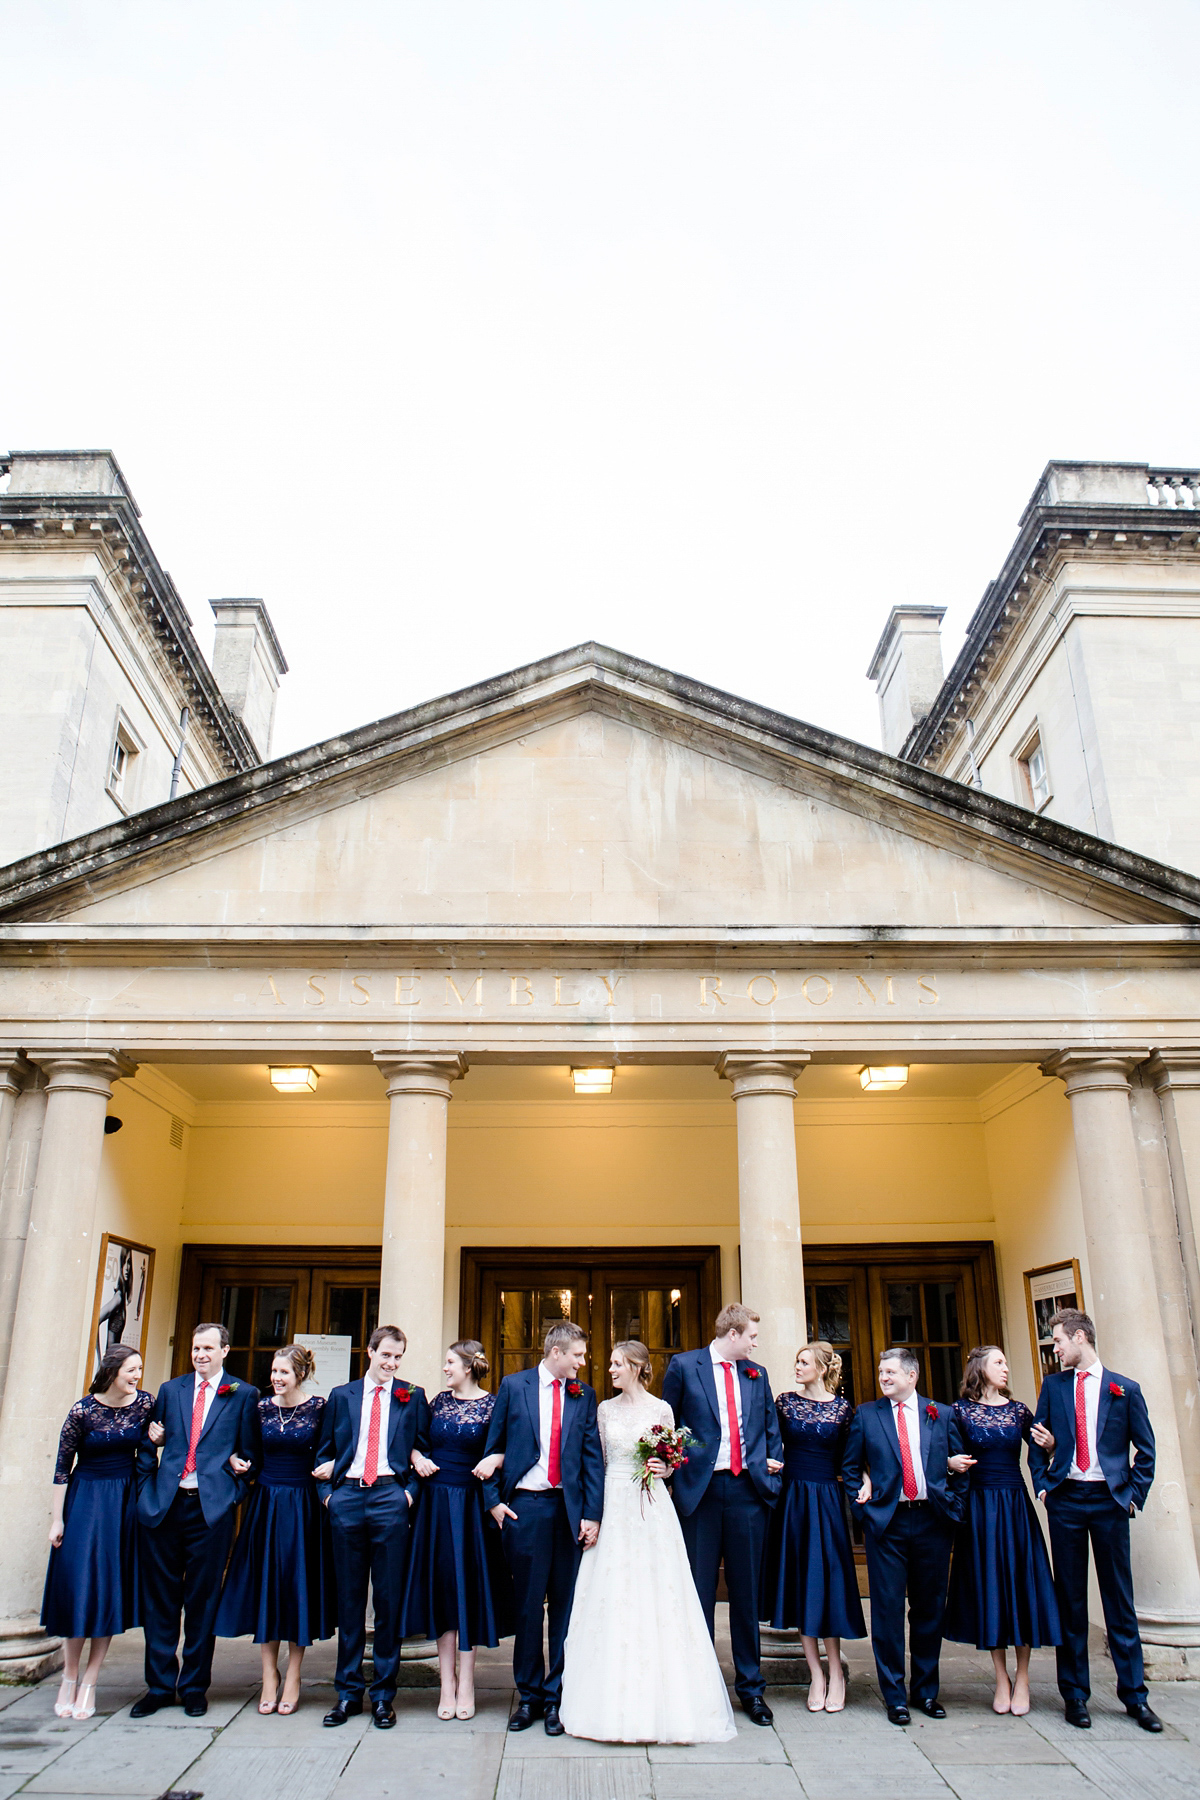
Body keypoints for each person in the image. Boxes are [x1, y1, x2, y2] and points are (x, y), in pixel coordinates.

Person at [560, 1339, 736, 1743]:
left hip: (651, 1505)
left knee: (658, 1594)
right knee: (612, 1594)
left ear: (638, 1367)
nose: (610, 1370)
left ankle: (666, 1702)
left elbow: (673, 1464)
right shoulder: (603, 1410)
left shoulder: (661, 1409)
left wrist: (665, 1466)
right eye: (610, 1364)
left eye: (618, 1363)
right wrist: (594, 1515)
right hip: (614, 1501)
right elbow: (597, 1462)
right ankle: (606, 1701)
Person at [1029, 1308, 1161, 1733]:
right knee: (1070, 1599)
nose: (1056, 1348)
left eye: (1059, 1341)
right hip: (1067, 1499)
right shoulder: (1053, 1386)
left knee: (1118, 1599)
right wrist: (1044, 1485)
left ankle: (1135, 1697)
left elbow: (1146, 1449)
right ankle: (1075, 1695)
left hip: (1109, 1500)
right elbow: (1037, 1441)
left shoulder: (1125, 1389)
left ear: (1080, 1337)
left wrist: (1132, 1497)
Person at [660, 1302, 784, 1726]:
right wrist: (674, 1476)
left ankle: (751, 1688)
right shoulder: (684, 1366)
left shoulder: (757, 1373)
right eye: (751, 1336)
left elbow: (769, 1427)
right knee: (698, 1593)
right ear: (732, 1334)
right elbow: (666, 1424)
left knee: (746, 1595)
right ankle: (701, 1686)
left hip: (749, 1492)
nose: (755, 1343)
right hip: (701, 1492)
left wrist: (771, 1469)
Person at [132, 1321, 262, 1717]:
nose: (200, 1355)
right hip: (165, 1506)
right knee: (161, 1601)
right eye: (195, 1348)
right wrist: (145, 1490)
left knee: (202, 1601)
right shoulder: (171, 1391)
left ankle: (193, 1687)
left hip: (211, 1511)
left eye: (208, 1348)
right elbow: (147, 1443)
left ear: (225, 1350)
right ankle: (157, 1687)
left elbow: (252, 1457)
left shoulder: (244, 1394)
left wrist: (232, 1495)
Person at [482, 1319, 604, 1736]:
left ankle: (557, 1699)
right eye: (578, 1355)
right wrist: (494, 1502)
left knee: (566, 1610)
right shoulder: (514, 1387)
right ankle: (529, 1697)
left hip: (567, 1512)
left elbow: (591, 1458)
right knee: (529, 1607)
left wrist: (593, 1515)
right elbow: (493, 1446)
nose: (583, 1363)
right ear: (556, 1353)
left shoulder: (583, 1395)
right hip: (525, 1510)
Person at [841, 1346, 966, 1725]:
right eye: (881, 1373)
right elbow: (848, 1469)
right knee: (888, 1611)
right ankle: (894, 1695)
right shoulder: (867, 1415)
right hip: (888, 1524)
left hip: (932, 1522)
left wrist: (953, 1510)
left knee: (929, 1610)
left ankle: (926, 1692)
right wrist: (865, 1510)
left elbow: (962, 1468)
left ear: (912, 1376)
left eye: (891, 1372)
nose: (884, 1378)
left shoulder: (941, 1414)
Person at [314, 1323, 429, 1730]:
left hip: (388, 1499)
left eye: (398, 1357)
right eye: (386, 1356)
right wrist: (329, 1496)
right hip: (346, 1497)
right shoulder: (341, 1396)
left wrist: (407, 1495)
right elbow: (324, 1450)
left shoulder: (412, 1396)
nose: (391, 1364)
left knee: (388, 1601)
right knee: (349, 1601)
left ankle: (383, 1695)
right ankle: (347, 1694)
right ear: (370, 1352)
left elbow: (422, 1450)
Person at [215, 1342, 336, 1715]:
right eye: (273, 1372)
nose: (276, 1378)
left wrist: (329, 1468)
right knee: (267, 1585)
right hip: (265, 1504)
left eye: (283, 1372)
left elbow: (331, 1450)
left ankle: (295, 1673)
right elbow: (247, 1452)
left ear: (300, 1373)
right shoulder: (259, 1407)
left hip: (303, 1506)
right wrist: (235, 1459)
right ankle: (269, 1673)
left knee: (296, 1586)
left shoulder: (320, 1408)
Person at [944, 1344, 1061, 1715]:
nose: (1006, 1369)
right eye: (999, 1363)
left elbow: (1041, 1453)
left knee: (1021, 1587)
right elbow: (942, 1455)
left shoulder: (1019, 1412)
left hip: (1014, 1506)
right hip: (979, 1509)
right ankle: (1000, 1677)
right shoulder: (959, 1412)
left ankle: (1023, 1676)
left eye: (1007, 1363)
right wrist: (950, 1463)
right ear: (980, 1368)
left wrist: (1053, 1444)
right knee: (989, 1588)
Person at [401, 1339, 513, 1721]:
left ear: (468, 1366)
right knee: (444, 1590)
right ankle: (445, 1684)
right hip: (435, 1503)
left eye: (450, 1362)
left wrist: (495, 1458)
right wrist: (419, 1459)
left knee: (467, 1589)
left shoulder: (494, 1405)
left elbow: (508, 1447)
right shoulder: (436, 1403)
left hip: (470, 1505)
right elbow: (415, 1443)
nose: (445, 1368)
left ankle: (466, 1682)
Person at [41, 1344, 152, 1721]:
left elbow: (151, 1448)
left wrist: (159, 1439)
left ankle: (91, 1678)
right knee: (80, 1587)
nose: (136, 1375)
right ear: (112, 1371)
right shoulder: (83, 1410)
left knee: (107, 1590)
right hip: (85, 1497)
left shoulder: (146, 1404)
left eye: (139, 1369)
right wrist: (57, 1520)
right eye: (131, 1370)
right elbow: (61, 1466)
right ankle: (69, 1676)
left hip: (123, 1501)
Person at [761, 1340, 865, 1712]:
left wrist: (865, 1479)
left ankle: (835, 1670)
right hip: (793, 1501)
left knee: (830, 1584)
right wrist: (769, 1464)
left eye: (804, 1362)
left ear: (822, 1368)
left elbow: (854, 1456)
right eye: (797, 1361)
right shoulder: (785, 1403)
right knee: (802, 1583)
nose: (798, 1367)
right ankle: (815, 1675)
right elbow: (768, 1442)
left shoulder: (842, 1409)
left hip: (828, 1500)